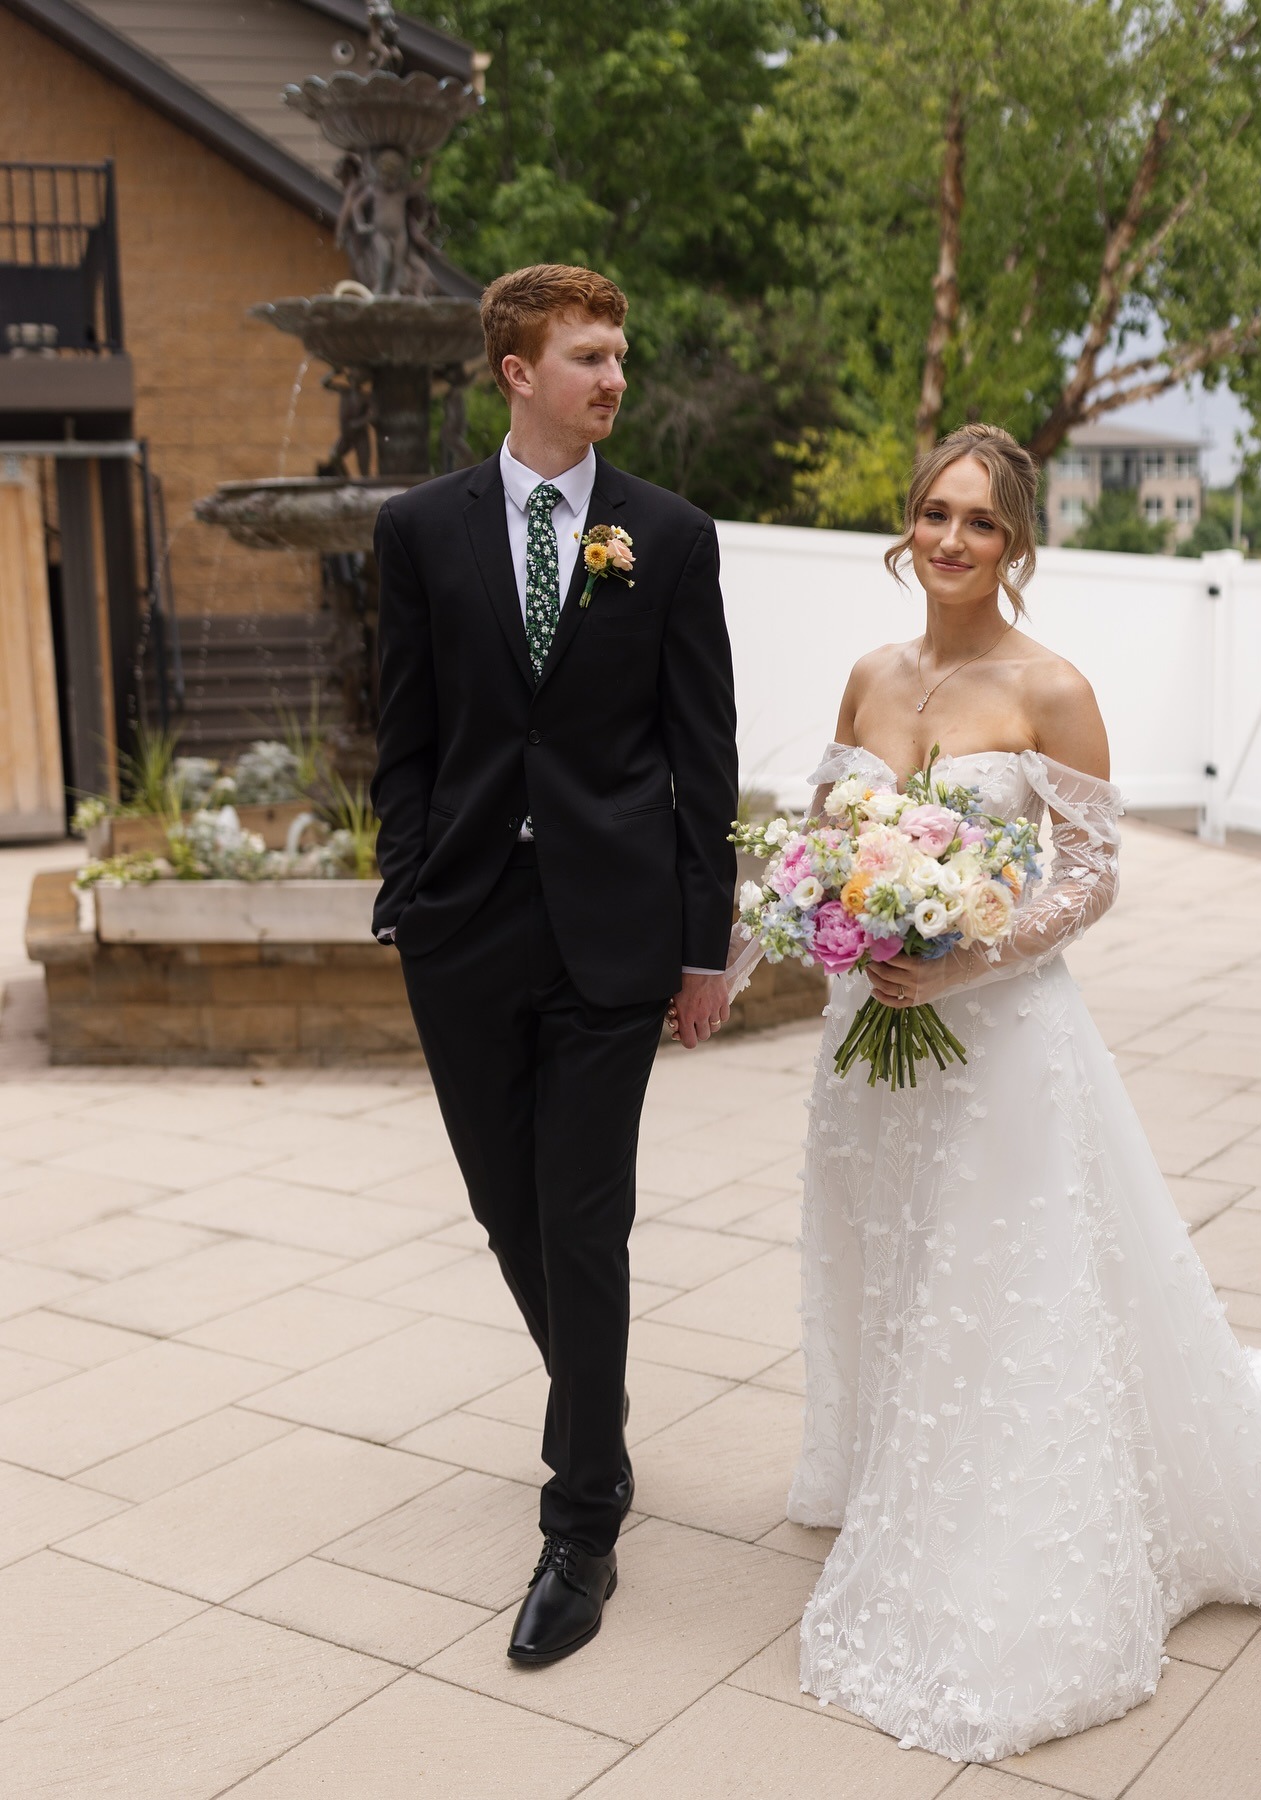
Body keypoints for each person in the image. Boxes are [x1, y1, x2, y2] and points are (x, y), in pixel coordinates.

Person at [782, 423, 1261, 1761]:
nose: (952, 539)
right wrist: (828, 911)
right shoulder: (868, 675)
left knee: (996, 1268)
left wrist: (969, 950)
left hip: (999, 1034)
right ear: (905, 524)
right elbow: (819, 835)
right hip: (871, 1028)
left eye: (980, 523)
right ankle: (893, 1468)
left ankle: (998, 1519)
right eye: (934, 514)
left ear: (1017, 546)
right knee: (888, 1246)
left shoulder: (1051, 686)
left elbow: (1090, 872)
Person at [370, 263, 737, 1665]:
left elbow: (704, 755)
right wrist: (408, 883)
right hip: (463, 924)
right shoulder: (420, 529)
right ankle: (599, 1404)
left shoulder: (670, 535)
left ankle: (582, 1519)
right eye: (587, 354)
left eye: (620, 355)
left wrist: (702, 945)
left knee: (584, 1221)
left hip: (612, 929)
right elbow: (403, 727)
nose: (613, 377)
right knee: (503, 1210)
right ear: (516, 370)